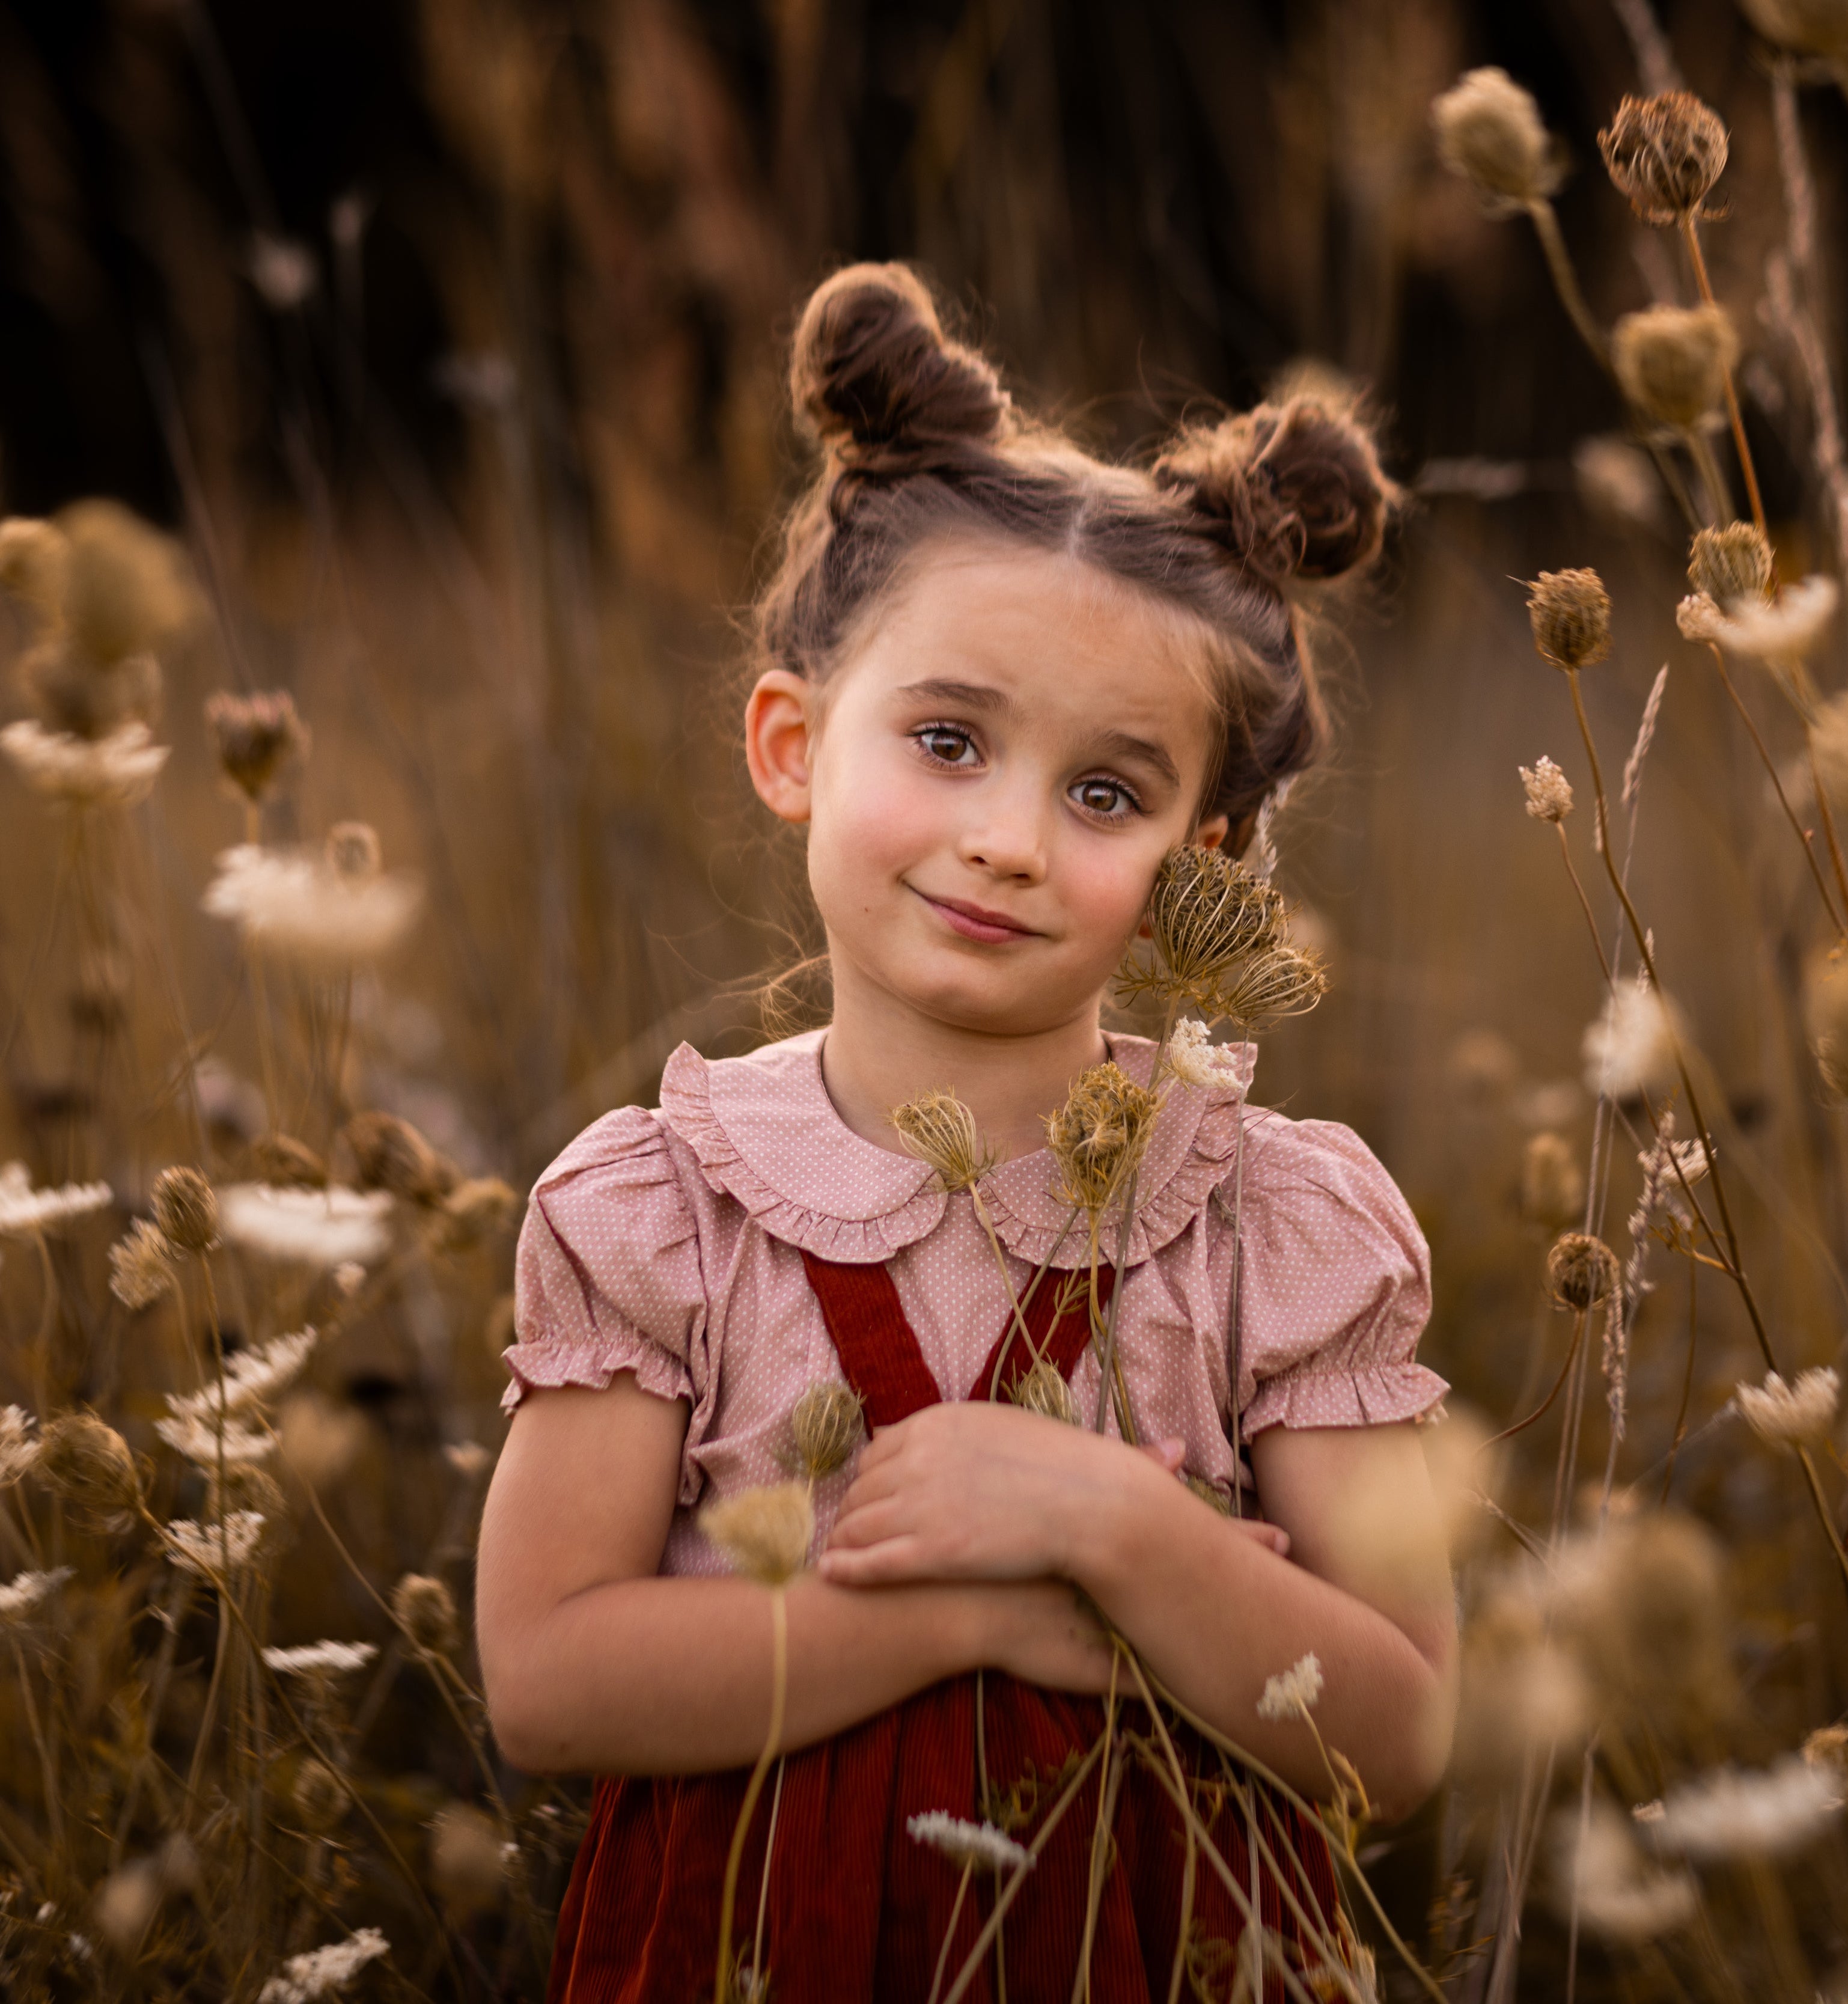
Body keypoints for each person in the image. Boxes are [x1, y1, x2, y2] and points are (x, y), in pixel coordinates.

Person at [476, 261, 1456, 2003]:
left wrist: (1122, 1530)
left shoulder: (1264, 1220)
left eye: (1106, 792)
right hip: (747, 1947)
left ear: (1207, 859)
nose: (1008, 838)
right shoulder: (663, 1206)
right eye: (946, 740)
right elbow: (548, 1678)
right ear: (791, 744)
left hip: (1155, 1949)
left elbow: (1399, 1728)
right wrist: (978, 1621)